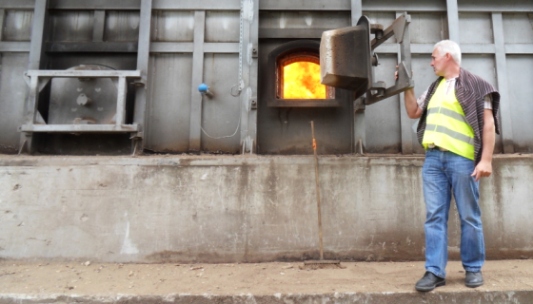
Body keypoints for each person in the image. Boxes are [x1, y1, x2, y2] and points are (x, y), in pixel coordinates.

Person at [402, 40, 500, 292]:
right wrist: (406, 86)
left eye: (434, 57)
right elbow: (413, 112)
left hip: (462, 159)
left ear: (447, 56)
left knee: (469, 216)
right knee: (434, 217)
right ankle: (434, 272)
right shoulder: (434, 88)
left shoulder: (478, 86)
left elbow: (488, 125)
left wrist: (486, 159)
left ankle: (473, 268)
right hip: (433, 160)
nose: (431, 62)